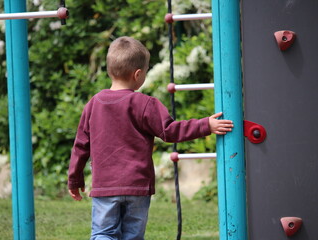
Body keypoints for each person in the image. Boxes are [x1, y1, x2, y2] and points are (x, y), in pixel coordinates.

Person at [68, 36, 233, 240]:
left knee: (103, 233)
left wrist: (75, 179)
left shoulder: (94, 104)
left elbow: (80, 146)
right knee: (133, 236)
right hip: (138, 186)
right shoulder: (146, 103)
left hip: (106, 186)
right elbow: (170, 131)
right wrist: (205, 125)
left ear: (110, 70)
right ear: (138, 74)